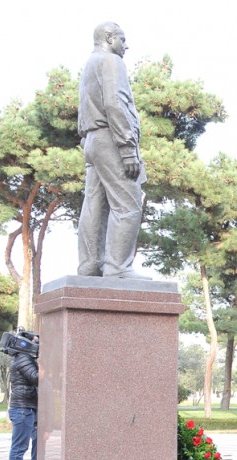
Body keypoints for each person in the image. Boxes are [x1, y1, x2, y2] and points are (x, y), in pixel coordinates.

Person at [77, 22, 149, 279]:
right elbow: (115, 104)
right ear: (109, 38)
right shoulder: (111, 61)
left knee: (94, 204)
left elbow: (85, 109)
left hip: (92, 141)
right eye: (122, 38)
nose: (126, 45)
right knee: (128, 204)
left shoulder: (89, 64)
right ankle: (118, 268)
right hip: (111, 139)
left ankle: (89, 266)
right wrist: (128, 147)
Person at [8, 336, 39, 460]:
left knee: (21, 447)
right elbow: (36, 378)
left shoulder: (23, 358)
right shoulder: (23, 358)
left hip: (26, 407)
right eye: (33, 341)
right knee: (19, 448)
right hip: (22, 408)